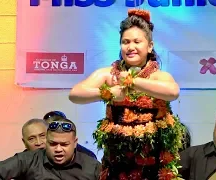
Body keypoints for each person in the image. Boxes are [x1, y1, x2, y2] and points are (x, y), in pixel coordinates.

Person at [69, 9, 184, 179]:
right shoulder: (109, 74)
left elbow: (173, 92)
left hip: (155, 165)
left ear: (150, 46)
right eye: (125, 42)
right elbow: (75, 94)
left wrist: (133, 81)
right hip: (118, 164)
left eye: (137, 41)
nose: (131, 47)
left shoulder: (158, 76)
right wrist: (107, 93)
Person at [0, 118, 101, 180]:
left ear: (75, 143)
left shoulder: (93, 167)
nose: (58, 149)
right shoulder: (28, 159)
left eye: (64, 144)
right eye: (52, 144)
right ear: (46, 141)